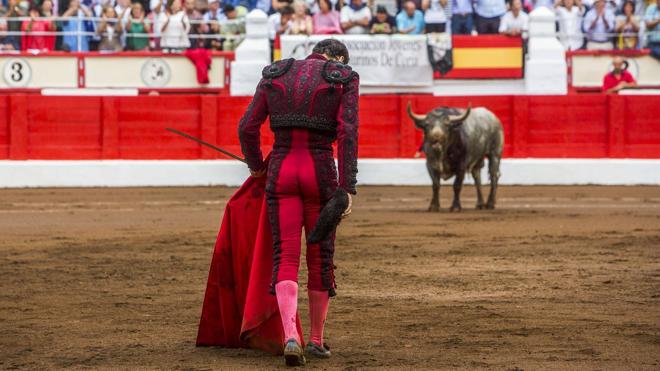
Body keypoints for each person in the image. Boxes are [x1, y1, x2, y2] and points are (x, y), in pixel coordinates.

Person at [237, 38, 358, 366]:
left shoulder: (277, 73)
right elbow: (348, 133)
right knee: (321, 258)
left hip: (282, 171)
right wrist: (346, 187)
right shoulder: (343, 76)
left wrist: (258, 166)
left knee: (285, 255)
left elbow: (247, 128)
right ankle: (316, 341)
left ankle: (291, 335)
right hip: (319, 174)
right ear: (337, 57)